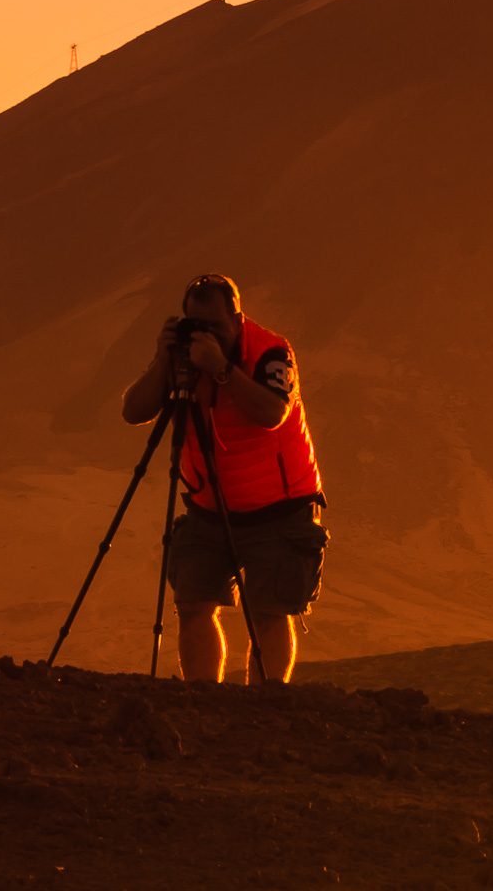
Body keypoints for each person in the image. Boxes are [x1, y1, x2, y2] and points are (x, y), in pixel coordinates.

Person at [121, 274, 327, 684]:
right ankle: (202, 701)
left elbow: (272, 414)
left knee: (269, 611)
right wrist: (164, 359)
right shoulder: (184, 357)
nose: (205, 333)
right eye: (196, 323)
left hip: (280, 509)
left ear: (236, 320)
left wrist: (220, 371)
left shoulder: (271, 352)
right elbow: (133, 412)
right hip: (208, 507)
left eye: (214, 325)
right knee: (193, 602)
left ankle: (262, 707)